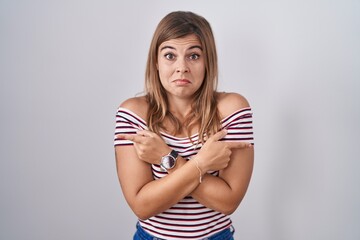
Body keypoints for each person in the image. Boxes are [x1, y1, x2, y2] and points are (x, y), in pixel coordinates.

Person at [114, 11, 254, 240]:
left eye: (194, 56)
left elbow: (228, 201)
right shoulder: (133, 113)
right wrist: (202, 163)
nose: (182, 67)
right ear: (156, 62)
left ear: (208, 62)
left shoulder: (233, 109)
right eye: (170, 55)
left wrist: (166, 157)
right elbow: (142, 206)